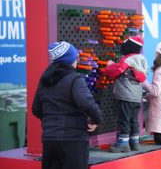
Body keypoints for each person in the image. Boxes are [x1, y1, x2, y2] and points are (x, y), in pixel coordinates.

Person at [32, 41, 102, 169]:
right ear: (70, 60)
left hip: (49, 139)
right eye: (76, 57)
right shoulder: (74, 79)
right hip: (73, 139)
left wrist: (52, 121)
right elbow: (88, 104)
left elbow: (36, 109)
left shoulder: (44, 80)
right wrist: (96, 120)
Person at [105, 36, 148, 153]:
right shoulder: (142, 60)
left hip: (125, 96)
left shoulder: (127, 60)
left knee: (124, 119)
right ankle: (134, 142)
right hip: (136, 97)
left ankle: (123, 143)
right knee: (134, 119)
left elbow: (114, 71)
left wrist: (109, 65)